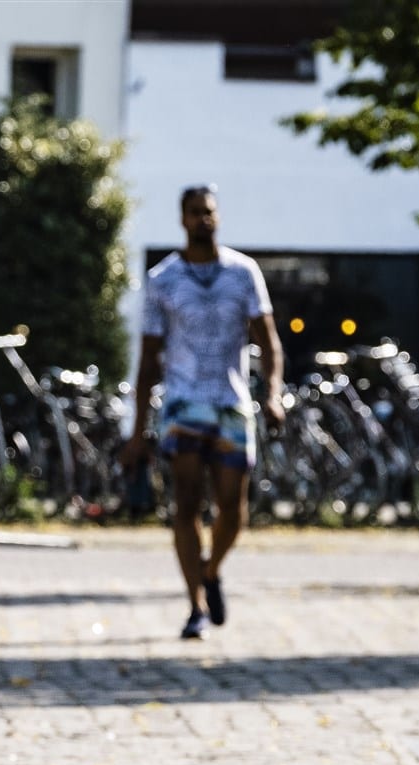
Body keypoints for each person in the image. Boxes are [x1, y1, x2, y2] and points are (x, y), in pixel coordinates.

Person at [127, 185, 284, 640]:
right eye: (195, 213)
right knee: (187, 505)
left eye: (209, 212)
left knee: (234, 511)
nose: (203, 220)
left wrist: (272, 394)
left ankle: (211, 570)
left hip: (231, 401)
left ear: (218, 216)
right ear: (182, 219)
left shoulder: (243, 273)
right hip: (183, 402)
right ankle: (195, 603)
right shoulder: (163, 280)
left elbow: (268, 341)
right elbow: (148, 360)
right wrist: (137, 432)